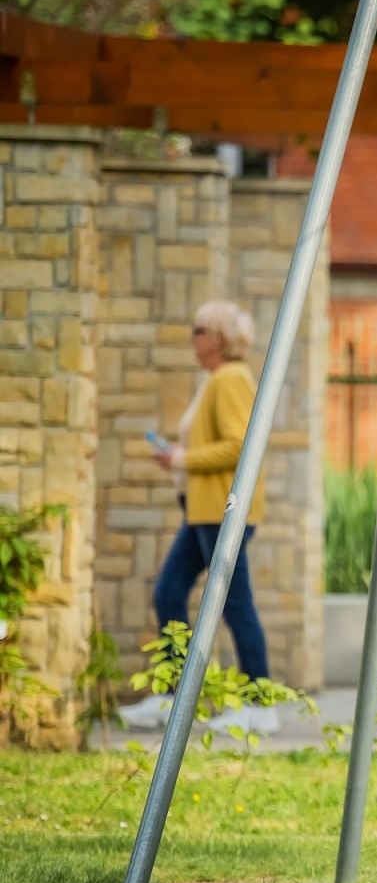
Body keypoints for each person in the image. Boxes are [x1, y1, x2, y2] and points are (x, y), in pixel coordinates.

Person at [121, 300, 272, 735]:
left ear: (217, 339)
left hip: (222, 512)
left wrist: (182, 458)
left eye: (197, 330)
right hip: (204, 512)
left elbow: (241, 444)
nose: (191, 338)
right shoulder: (216, 379)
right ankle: (173, 696)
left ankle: (260, 703)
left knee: (234, 601)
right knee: (169, 592)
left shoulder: (229, 379)